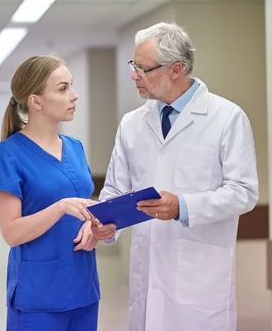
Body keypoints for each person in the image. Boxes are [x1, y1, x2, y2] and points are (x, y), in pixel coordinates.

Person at [91, 23, 259, 331]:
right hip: (147, 279)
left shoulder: (227, 118)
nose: (133, 75)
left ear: (175, 69)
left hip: (200, 284)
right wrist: (105, 226)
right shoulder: (132, 124)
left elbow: (243, 192)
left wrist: (182, 206)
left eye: (142, 69)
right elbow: (114, 188)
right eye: (133, 66)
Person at [0, 55, 101, 331]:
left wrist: (92, 225)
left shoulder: (75, 147)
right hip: (38, 298)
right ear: (35, 101)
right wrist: (60, 207)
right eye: (63, 89)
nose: (74, 95)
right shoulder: (7, 155)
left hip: (83, 289)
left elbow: (82, 206)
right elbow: (12, 233)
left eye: (71, 86)